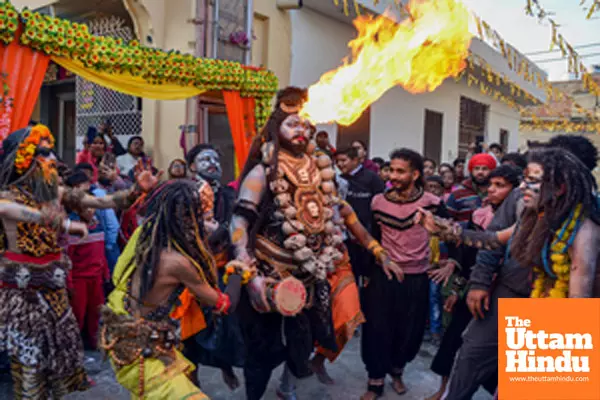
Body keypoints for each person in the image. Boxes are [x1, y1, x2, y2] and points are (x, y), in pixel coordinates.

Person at [418, 148, 600, 399]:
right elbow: (494, 240)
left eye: (532, 180)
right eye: (524, 177)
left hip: (561, 315)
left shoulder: (584, 232)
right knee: (473, 356)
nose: (522, 185)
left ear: (559, 188)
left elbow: (578, 305)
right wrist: (446, 231)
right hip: (518, 292)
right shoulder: (534, 213)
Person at [0, 125, 155, 399]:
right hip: (23, 297)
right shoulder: (6, 197)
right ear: (25, 158)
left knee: (58, 366)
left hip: (55, 290)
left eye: (51, 153)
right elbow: (18, 212)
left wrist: (134, 191)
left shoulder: (55, 193)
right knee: (30, 368)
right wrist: (65, 223)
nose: (52, 160)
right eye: (44, 153)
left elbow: (102, 201)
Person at [228, 87, 341, 400]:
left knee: (302, 341)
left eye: (304, 125)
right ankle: (255, 395)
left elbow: (332, 213)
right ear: (276, 128)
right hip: (268, 268)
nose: (301, 129)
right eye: (293, 124)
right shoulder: (264, 170)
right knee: (261, 348)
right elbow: (239, 221)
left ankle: (287, 386)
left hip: (309, 271)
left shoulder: (320, 169)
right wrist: (246, 268)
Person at [100, 180, 251, 399]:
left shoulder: (145, 234)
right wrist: (238, 272)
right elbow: (223, 304)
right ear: (190, 220)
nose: (208, 223)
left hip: (124, 337)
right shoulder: (178, 263)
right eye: (203, 217)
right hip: (146, 356)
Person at [360, 148, 455, 400]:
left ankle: (397, 371)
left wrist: (452, 262)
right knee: (377, 329)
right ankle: (375, 382)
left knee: (409, 332)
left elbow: (454, 236)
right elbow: (371, 238)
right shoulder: (378, 201)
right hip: (384, 275)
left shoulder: (432, 204)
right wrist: (368, 272)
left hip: (417, 277)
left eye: (400, 171)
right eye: (392, 169)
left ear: (415, 174)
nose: (394, 175)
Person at [425, 165, 520, 400]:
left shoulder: (583, 220)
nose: (493, 190)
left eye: (501, 185)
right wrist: (468, 287)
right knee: (464, 350)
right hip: (490, 294)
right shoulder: (501, 213)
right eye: (491, 185)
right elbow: (488, 245)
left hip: (549, 302)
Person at [179, 143, 241, 389]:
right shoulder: (184, 193)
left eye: (215, 159)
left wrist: (225, 233)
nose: (213, 163)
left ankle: (225, 366)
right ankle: (192, 381)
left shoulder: (229, 194)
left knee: (226, 323)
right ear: (192, 166)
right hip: (190, 269)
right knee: (190, 332)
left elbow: (238, 227)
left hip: (223, 267)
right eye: (205, 159)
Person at [65, 170, 110, 350]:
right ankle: (74, 346)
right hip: (79, 279)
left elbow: (101, 252)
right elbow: (67, 257)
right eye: (86, 208)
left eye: (92, 207)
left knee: (96, 312)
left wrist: (105, 272)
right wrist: (68, 282)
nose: (90, 211)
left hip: (96, 277)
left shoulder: (97, 224)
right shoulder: (73, 226)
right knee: (78, 314)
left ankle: (94, 342)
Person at [336, 146, 386, 284]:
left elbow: (380, 204)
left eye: (343, 160)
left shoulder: (372, 178)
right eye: (337, 161)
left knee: (367, 276)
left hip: (367, 234)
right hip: (345, 236)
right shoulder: (338, 180)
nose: (340, 164)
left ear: (356, 160)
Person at [446, 153, 495, 222]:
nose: (480, 172)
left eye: (485, 169)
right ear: (471, 171)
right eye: (477, 168)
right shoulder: (458, 193)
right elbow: (447, 220)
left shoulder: (497, 193)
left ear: (492, 171)